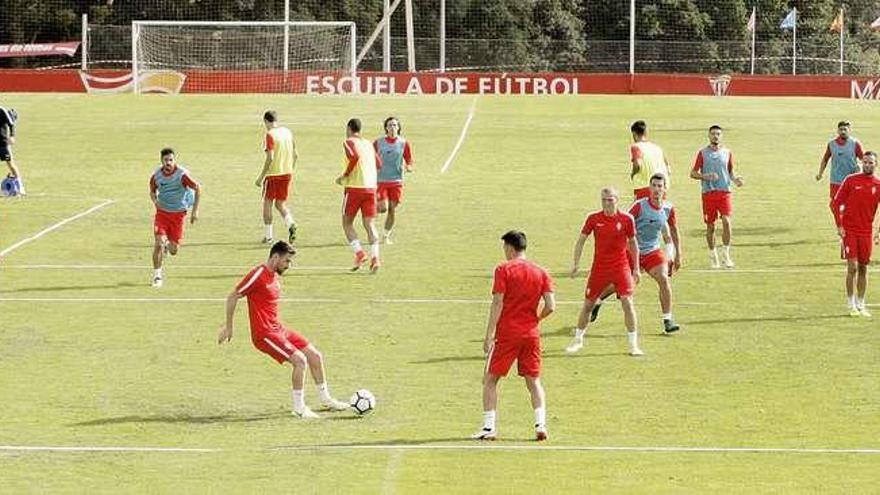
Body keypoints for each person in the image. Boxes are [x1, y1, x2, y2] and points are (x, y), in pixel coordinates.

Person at [218, 241, 350, 418]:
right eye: (287, 261)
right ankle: (299, 408)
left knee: (315, 355)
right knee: (300, 360)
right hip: (264, 334)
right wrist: (228, 326)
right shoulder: (258, 274)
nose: (289, 265)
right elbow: (233, 295)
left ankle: (326, 399)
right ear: (275, 257)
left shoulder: (273, 276)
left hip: (278, 329)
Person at [473, 231, 555, 442]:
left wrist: (489, 334)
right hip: (531, 334)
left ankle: (489, 427)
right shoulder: (541, 272)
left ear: (510, 248)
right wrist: (536, 319)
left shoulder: (503, 269)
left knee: (490, 379)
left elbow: (498, 302)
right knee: (534, 381)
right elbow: (551, 306)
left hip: (508, 333)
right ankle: (541, 424)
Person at [589, 174, 682, 334]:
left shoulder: (668, 208)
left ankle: (668, 320)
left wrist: (676, 255)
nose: (656, 189)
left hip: (652, 251)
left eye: (660, 186)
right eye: (653, 185)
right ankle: (597, 300)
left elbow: (672, 232)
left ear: (665, 189)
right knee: (621, 286)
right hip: (632, 251)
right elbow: (623, 222)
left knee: (664, 279)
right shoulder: (640, 206)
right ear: (649, 187)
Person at [565, 187, 643, 357]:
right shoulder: (593, 219)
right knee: (588, 305)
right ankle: (578, 340)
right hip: (599, 269)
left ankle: (633, 344)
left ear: (617, 200)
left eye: (610, 200)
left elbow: (633, 244)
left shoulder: (626, 219)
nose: (607, 203)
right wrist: (576, 264)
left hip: (620, 267)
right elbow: (581, 241)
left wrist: (636, 268)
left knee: (627, 303)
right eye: (604, 200)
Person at [830, 151, 880, 317]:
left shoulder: (878, 184)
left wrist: (878, 231)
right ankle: (851, 303)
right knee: (852, 267)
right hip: (850, 230)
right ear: (862, 163)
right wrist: (840, 226)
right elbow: (835, 204)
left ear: (876, 164)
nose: (867, 165)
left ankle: (861, 303)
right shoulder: (851, 180)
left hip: (866, 232)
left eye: (870, 163)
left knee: (863, 268)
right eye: (865, 162)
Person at [690, 125, 744, 269]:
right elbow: (693, 173)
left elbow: (730, 172)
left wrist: (736, 179)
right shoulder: (702, 153)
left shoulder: (727, 152)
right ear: (709, 136)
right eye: (713, 134)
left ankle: (726, 255)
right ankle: (713, 256)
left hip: (724, 192)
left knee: (727, 221)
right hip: (708, 194)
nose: (716, 136)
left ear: (721, 136)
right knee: (711, 226)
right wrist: (705, 176)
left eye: (718, 134)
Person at [149, 148, 201, 288]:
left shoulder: (182, 175)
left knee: (174, 250)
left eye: (171, 160)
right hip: (162, 214)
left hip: (178, 215)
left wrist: (194, 211)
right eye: (166, 160)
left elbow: (198, 188)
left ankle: (168, 246)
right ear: (161, 161)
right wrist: (155, 202)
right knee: (158, 243)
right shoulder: (156, 176)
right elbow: (152, 192)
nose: (169, 163)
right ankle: (157, 276)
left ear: (174, 160)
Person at [336, 118, 382, 273]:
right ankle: (375, 258)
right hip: (371, 187)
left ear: (348, 128)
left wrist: (345, 175)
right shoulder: (368, 143)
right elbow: (379, 164)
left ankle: (359, 253)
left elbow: (354, 157)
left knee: (347, 223)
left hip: (355, 187)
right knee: (369, 224)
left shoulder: (349, 142)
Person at [256, 110, 298, 244]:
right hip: (287, 172)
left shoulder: (269, 135)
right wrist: (290, 168)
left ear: (266, 121)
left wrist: (261, 176)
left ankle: (268, 236)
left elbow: (270, 157)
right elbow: (296, 154)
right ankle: (291, 223)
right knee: (280, 203)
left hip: (274, 174)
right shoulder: (287, 132)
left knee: (267, 203)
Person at [374, 116, 414, 244]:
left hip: (396, 181)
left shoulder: (403, 143)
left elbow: (408, 158)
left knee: (392, 209)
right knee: (383, 208)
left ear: (399, 127)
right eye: (390, 125)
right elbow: (371, 156)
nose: (392, 127)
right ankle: (372, 208)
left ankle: (385, 236)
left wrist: (409, 166)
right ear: (386, 128)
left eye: (395, 125)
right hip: (381, 180)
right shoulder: (378, 142)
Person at [816, 121, 864, 202]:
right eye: (841, 129)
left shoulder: (855, 143)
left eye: (845, 129)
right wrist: (820, 174)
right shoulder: (832, 144)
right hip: (836, 181)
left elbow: (864, 160)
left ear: (849, 130)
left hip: (851, 180)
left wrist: (861, 171)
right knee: (836, 203)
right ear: (837, 131)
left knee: (851, 203)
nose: (843, 132)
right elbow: (825, 159)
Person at [630, 120, 671, 200]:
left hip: (644, 187)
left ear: (634, 134)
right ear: (646, 133)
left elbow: (637, 164)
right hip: (661, 188)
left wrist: (633, 173)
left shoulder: (636, 147)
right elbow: (668, 168)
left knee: (639, 211)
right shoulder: (657, 148)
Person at [0, 106, 24, 195]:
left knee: (11, 165)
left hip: (3, 144)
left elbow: (11, 123)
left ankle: (20, 187)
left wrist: (12, 136)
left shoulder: (2, 110)